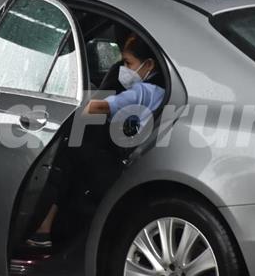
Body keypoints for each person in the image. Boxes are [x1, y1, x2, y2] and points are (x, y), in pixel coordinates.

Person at [26, 34, 165, 249]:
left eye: (128, 63)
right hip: (136, 156)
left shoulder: (144, 91)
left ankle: (44, 226)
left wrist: (71, 109)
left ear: (148, 64)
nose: (123, 70)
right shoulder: (159, 89)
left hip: (123, 162)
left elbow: (103, 107)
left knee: (72, 148)